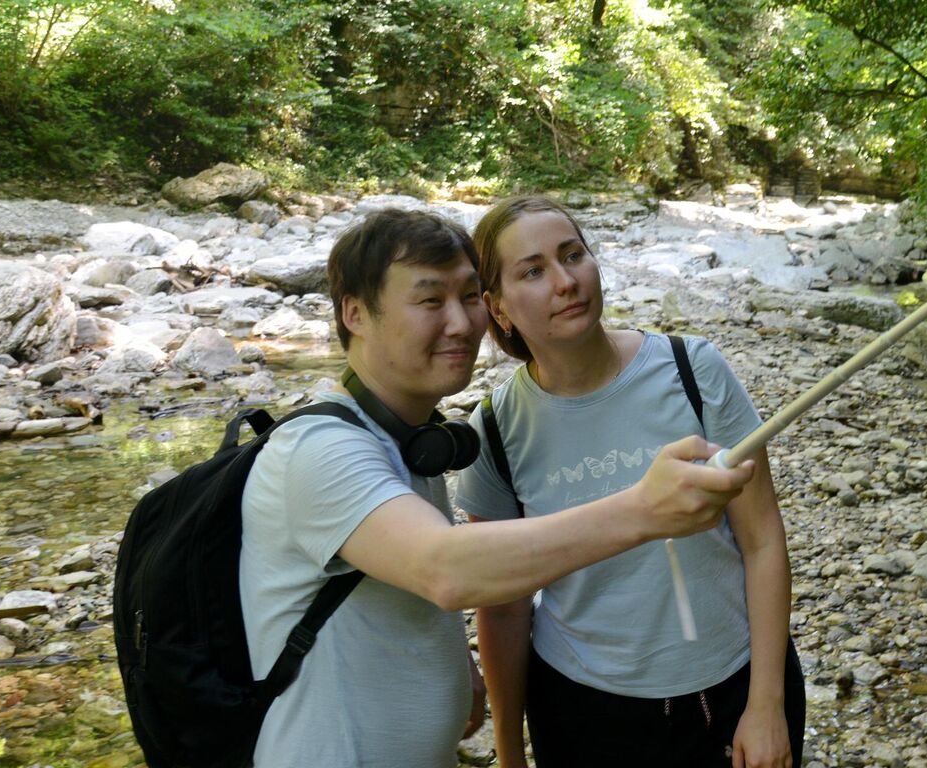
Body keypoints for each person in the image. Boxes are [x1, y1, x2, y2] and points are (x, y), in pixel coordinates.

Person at [238, 208, 756, 767]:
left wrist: (452, 663)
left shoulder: (412, 446)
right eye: (431, 301)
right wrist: (645, 509)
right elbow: (447, 569)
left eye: (468, 297)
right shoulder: (318, 450)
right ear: (356, 314)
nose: (461, 324)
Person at [459, 196, 805, 768]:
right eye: (533, 271)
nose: (566, 282)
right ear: (497, 308)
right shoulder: (495, 430)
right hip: (583, 712)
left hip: (732, 686)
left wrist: (766, 704)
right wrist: (510, 750)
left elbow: (763, 540)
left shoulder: (693, 370)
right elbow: (504, 608)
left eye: (574, 255)